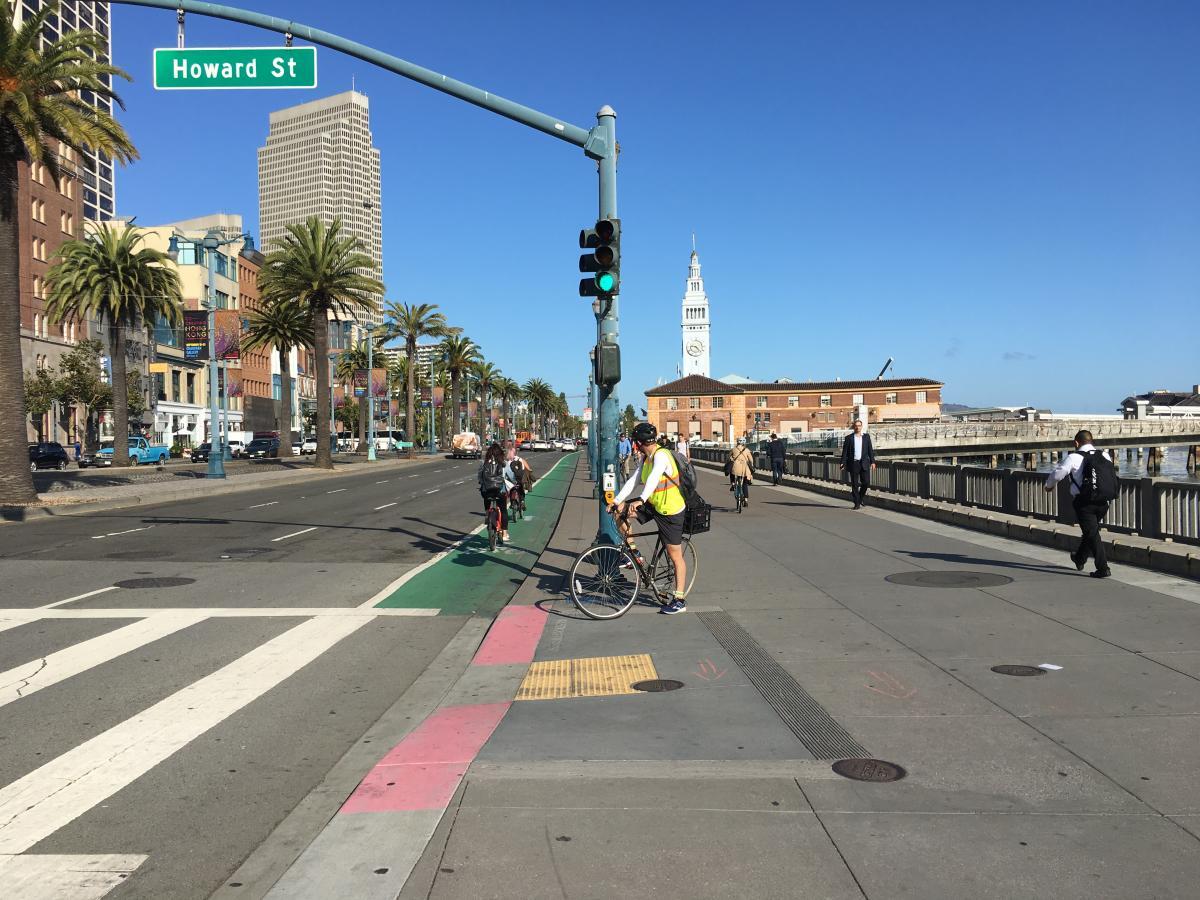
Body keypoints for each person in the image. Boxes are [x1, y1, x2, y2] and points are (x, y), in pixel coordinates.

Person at [609, 422, 689, 614]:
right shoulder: (647, 458)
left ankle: (679, 600)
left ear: (639, 443)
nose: (634, 445)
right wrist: (617, 500)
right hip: (654, 504)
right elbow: (633, 480)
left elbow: (653, 478)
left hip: (671, 510)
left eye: (635, 442)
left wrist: (641, 499)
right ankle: (635, 553)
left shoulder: (661, 455)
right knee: (620, 512)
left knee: (675, 555)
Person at [1043, 430, 1113, 578]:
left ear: (1076, 442)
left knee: (1092, 533)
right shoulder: (1105, 455)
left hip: (1085, 503)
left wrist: (1049, 486)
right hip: (1104, 501)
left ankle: (1103, 568)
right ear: (1092, 440)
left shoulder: (1073, 457)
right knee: (1090, 532)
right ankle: (1079, 558)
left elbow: (1058, 473)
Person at [478, 442, 510, 543]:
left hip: (487, 491)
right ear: (500, 453)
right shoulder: (503, 463)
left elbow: (479, 477)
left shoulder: (483, 463)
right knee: (503, 510)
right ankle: (504, 534)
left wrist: (483, 483)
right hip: (499, 491)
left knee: (486, 497)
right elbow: (508, 475)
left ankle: (487, 513)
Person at [840, 418, 875, 509]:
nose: (857, 427)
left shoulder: (866, 437)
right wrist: (842, 462)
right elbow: (845, 452)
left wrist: (873, 462)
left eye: (859, 426)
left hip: (864, 463)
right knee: (854, 484)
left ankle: (860, 498)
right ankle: (857, 503)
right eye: (856, 426)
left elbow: (870, 450)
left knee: (866, 482)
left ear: (861, 427)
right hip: (854, 463)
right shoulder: (849, 438)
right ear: (853, 427)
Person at [727, 437, 754, 504]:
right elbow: (751, 460)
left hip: (736, 466)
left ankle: (733, 484)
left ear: (737, 442)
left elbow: (728, 457)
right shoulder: (747, 450)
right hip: (744, 468)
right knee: (744, 484)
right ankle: (746, 499)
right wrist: (752, 465)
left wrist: (731, 459)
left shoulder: (733, 449)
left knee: (732, 472)